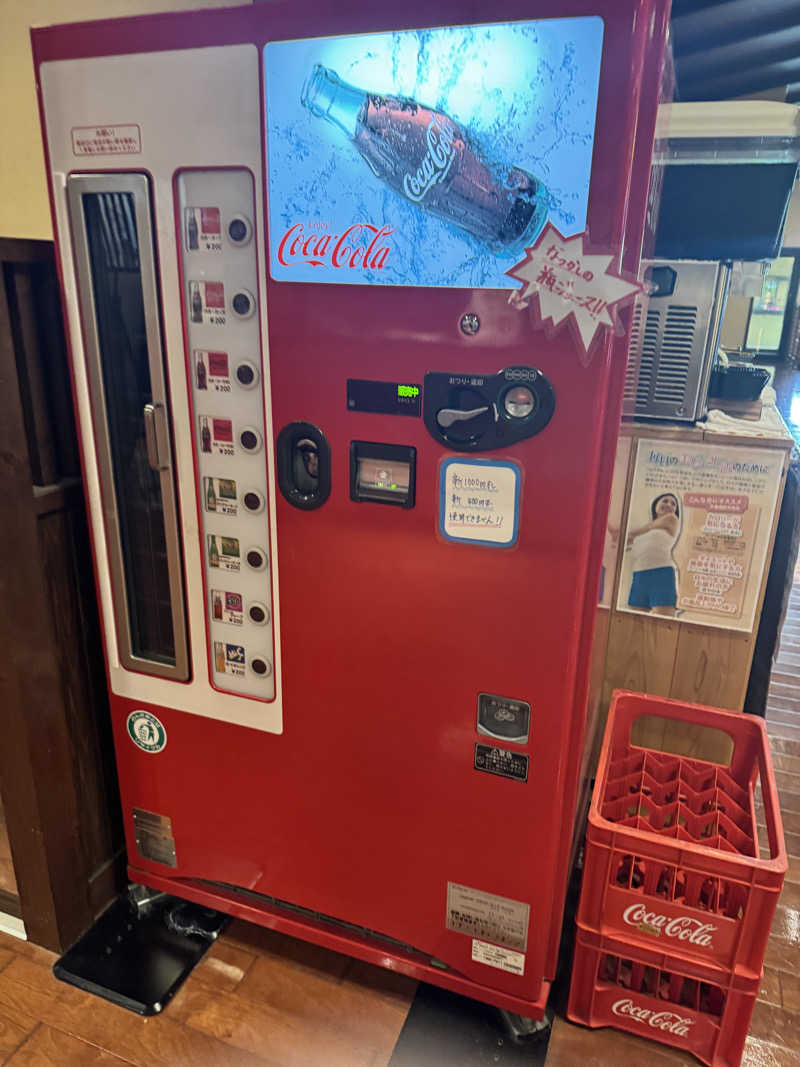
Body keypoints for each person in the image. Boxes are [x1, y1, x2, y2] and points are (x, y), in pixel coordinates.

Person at [626, 492, 680, 616]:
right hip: (639, 575)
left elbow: (639, 531)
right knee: (634, 622)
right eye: (665, 501)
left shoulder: (671, 519)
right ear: (655, 505)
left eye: (673, 504)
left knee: (663, 624)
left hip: (662, 574)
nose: (669, 505)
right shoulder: (646, 530)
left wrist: (630, 534)